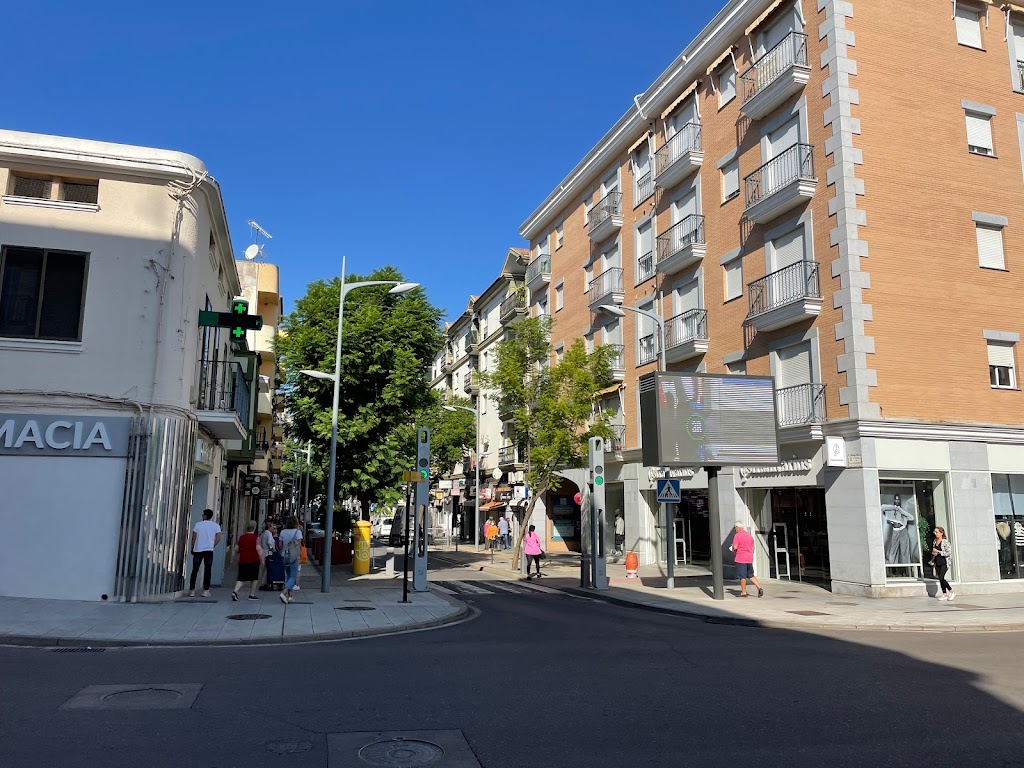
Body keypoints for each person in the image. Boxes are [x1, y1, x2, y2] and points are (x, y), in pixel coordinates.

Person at [188, 509, 222, 598]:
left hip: (198, 550)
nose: (202, 516)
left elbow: (194, 538)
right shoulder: (216, 526)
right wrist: (212, 545)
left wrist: (193, 547)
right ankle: (205, 591)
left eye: (203, 514)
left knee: (195, 570)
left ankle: (192, 591)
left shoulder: (198, 525)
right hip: (209, 550)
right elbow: (218, 538)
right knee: (208, 570)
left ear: (205, 516)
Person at [731, 521, 763, 598]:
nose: (735, 530)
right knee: (751, 575)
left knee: (742, 576)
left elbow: (735, 547)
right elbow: (753, 548)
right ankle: (759, 587)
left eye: (735, 528)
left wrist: (732, 547)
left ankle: (744, 592)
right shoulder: (749, 536)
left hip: (741, 558)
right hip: (749, 558)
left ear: (737, 528)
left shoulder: (737, 536)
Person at [232, 521, 261, 601]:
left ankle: (235, 591)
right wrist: (262, 558)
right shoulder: (256, 538)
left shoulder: (241, 537)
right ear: (254, 528)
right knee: (254, 578)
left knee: (241, 578)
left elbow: (236, 549)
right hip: (254, 560)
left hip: (243, 560)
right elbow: (258, 548)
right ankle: (252, 595)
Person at [278, 516, 303, 604]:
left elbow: (280, 545)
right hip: (294, 556)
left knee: (288, 576)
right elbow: (299, 546)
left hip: (284, 556)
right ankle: (283, 592)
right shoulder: (298, 532)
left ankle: (290, 596)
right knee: (293, 575)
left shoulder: (282, 532)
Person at [931, 526, 955, 601]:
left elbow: (948, 552)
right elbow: (934, 551)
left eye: (937, 532)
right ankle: (944, 594)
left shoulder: (945, 542)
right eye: (934, 532)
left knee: (941, 577)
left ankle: (951, 590)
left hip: (944, 562)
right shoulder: (935, 541)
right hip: (937, 561)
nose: (935, 533)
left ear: (941, 533)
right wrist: (934, 553)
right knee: (940, 579)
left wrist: (938, 552)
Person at [258, 521, 277, 588]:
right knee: (267, 568)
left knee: (262, 568)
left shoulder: (263, 534)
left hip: (262, 552)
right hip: (268, 553)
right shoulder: (269, 534)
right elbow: (269, 542)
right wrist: (272, 548)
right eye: (272, 527)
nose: (273, 528)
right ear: (269, 527)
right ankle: (266, 582)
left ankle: (261, 582)